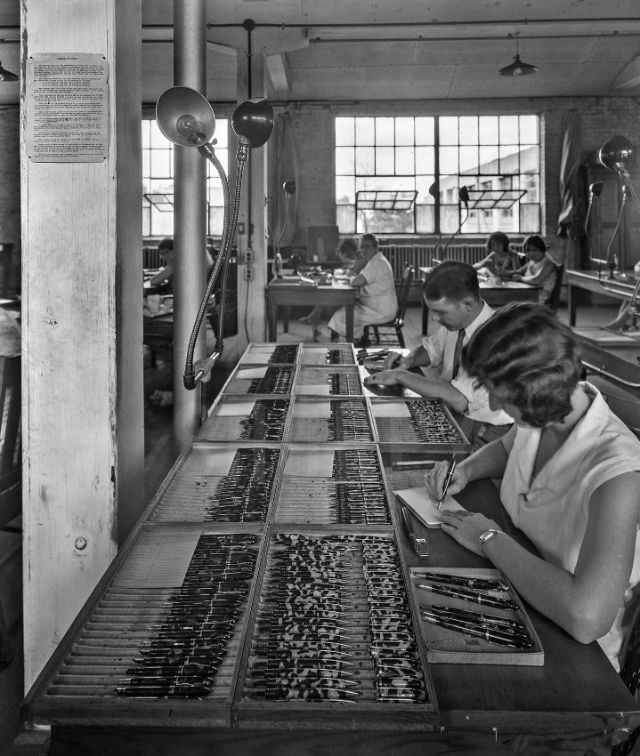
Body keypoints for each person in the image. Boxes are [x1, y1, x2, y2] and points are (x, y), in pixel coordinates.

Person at [424, 303, 640, 672]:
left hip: (569, 650)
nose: (493, 405)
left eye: (499, 395)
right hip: (511, 580)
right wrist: (468, 470)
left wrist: (489, 538)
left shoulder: (619, 474)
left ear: (534, 393)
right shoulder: (552, 411)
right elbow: (509, 448)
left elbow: (587, 617)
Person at [364, 261, 512, 449]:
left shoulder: (492, 338)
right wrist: (408, 360)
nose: (434, 318)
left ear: (468, 303)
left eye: (440, 311)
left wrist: (401, 375)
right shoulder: (457, 322)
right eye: (431, 310)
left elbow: (459, 400)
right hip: (452, 409)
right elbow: (431, 349)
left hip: (484, 428)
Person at [328, 233, 398, 343]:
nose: (364, 250)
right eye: (362, 247)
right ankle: (359, 340)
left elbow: (357, 281)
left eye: (368, 246)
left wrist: (352, 275)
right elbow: (359, 277)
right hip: (377, 306)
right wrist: (355, 272)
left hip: (381, 310)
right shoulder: (375, 260)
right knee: (344, 311)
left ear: (375, 247)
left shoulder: (377, 263)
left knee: (341, 315)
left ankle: (351, 343)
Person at [299, 237, 362, 340]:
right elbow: (351, 273)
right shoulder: (355, 261)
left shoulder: (358, 261)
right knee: (326, 294)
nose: (340, 257)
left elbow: (354, 277)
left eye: (341, 254)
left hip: (355, 296)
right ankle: (316, 318)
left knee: (329, 297)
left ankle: (319, 324)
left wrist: (346, 274)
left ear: (346, 253)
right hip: (354, 291)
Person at [508, 234, 559, 305]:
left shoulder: (548, 263)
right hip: (529, 294)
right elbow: (517, 272)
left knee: (508, 300)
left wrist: (520, 278)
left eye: (534, 250)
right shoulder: (532, 262)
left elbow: (536, 280)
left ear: (542, 249)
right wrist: (502, 273)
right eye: (528, 251)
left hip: (540, 298)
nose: (531, 253)